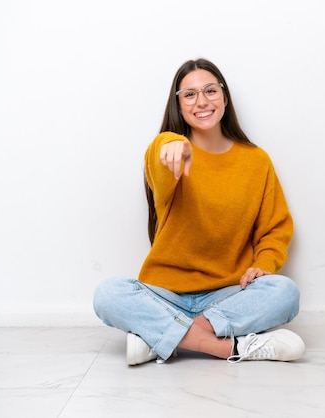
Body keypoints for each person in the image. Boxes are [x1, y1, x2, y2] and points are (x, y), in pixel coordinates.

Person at [93, 58, 304, 366]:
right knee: (107, 294)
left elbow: (274, 227)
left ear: (225, 97)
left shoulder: (256, 161)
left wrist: (264, 263)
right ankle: (227, 347)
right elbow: (158, 155)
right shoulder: (170, 154)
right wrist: (172, 144)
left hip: (228, 294)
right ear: (178, 105)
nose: (201, 101)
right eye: (189, 94)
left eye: (210, 91)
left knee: (285, 292)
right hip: (166, 294)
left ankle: (160, 337)